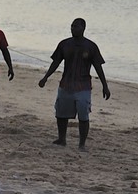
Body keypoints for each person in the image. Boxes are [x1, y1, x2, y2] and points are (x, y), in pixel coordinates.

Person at [38, 17, 111, 148]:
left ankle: (82, 143)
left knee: (83, 115)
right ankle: (62, 138)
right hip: (66, 84)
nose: (73, 28)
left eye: (76, 26)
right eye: (72, 26)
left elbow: (98, 67)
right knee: (61, 114)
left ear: (83, 28)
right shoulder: (64, 44)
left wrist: (105, 86)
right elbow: (56, 62)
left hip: (83, 86)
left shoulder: (91, 46)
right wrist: (45, 77)